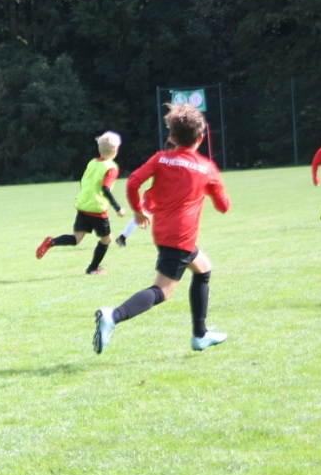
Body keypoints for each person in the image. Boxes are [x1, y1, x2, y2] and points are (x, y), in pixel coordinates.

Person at [93, 104, 230, 354]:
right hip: (181, 237)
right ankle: (114, 316)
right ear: (200, 138)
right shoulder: (207, 167)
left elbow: (133, 182)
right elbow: (223, 207)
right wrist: (213, 186)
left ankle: (200, 334)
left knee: (203, 268)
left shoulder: (160, 159)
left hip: (165, 234)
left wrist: (137, 210)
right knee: (161, 291)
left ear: (172, 137)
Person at [36, 131, 127, 275]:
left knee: (76, 238)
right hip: (97, 209)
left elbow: (85, 181)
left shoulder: (92, 162)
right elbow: (105, 188)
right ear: (115, 151)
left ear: (99, 149)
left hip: (83, 205)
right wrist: (118, 208)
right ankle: (93, 268)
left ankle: (52, 242)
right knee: (107, 239)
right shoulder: (111, 168)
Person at [115, 139, 176, 248]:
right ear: (170, 150)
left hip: (163, 196)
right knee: (140, 215)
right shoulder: (163, 161)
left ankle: (170, 238)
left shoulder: (168, 161)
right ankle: (122, 237)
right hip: (153, 195)